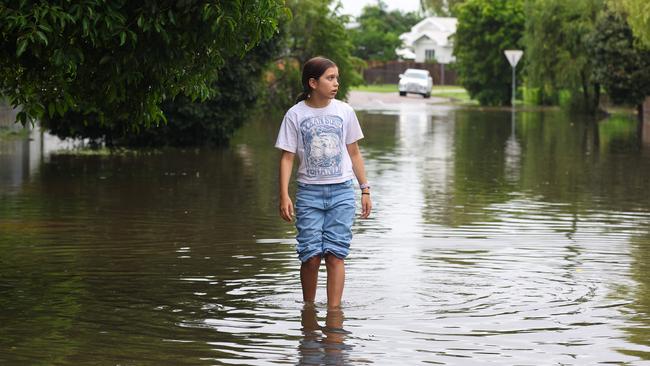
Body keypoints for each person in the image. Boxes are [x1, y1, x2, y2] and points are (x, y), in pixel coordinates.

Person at [275, 56, 372, 309]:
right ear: (313, 83)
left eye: (336, 78)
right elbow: (287, 157)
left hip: (342, 192)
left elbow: (354, 153)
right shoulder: (295, 115)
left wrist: (365, 189)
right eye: (330, 78)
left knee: (335, 255)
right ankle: (308, 311)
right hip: (309, 194)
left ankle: (333, 313)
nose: (336, 83)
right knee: (310, 256)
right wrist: (284, 194)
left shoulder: (345, 112)